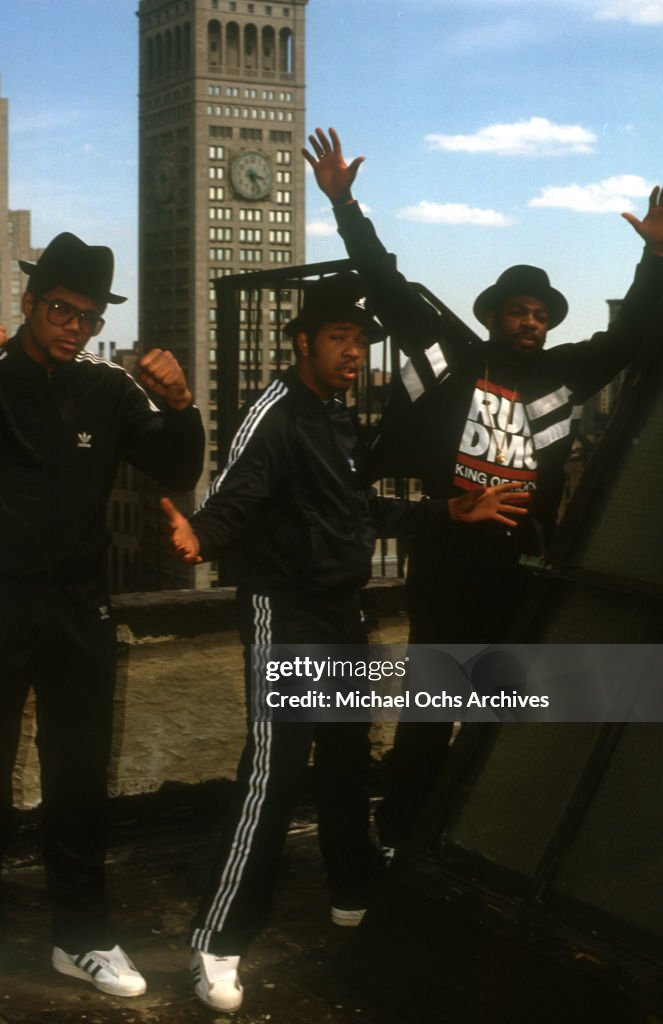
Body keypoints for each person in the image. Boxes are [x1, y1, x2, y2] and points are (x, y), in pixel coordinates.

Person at [160, 271, 531, 1013]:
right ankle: (218, 939)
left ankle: (353, 889)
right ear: (303, 342)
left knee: (343, 755)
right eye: (339, 339)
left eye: (361, 342)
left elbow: (355, 509)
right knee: (274, 770)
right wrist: (201, 533)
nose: (354, 353)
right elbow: (236, 492)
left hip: (338, 609)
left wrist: (448, 511)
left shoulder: (335, 415)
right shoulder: (275, 411)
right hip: (285, 608)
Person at [303, 127, 663, 854]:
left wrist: (653, 256)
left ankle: (475, 839)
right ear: (492, 316)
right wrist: (346, 207)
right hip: (447, 563)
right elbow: (389, 288)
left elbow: (628, 337)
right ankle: (402, 834)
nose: (529, 324)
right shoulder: (453, 361)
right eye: (517, 312)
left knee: (502, 713)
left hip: (519, 569)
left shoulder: (562, 376)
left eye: (539, 315)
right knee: (434, 709)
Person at [0, 232, 205, 998]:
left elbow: (174, 467)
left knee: (79, 776)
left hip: (79, 601)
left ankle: (83, 937)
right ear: (32, 304)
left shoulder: (106, 390)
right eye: (62, 310)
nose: (74, 326)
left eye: (88, 316)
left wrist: (180, 406)